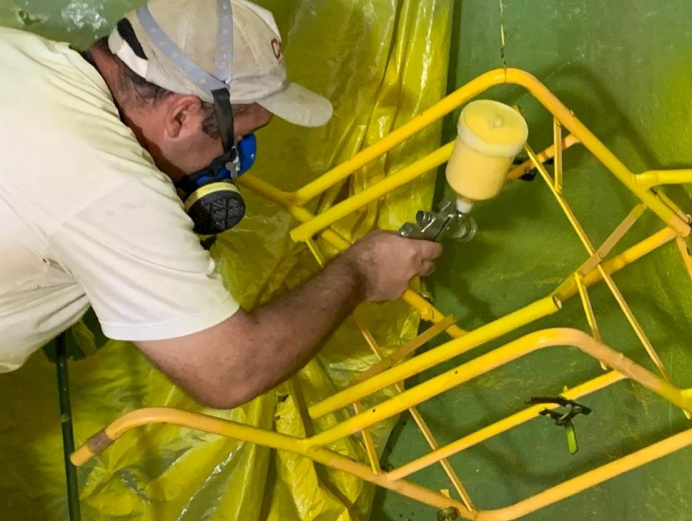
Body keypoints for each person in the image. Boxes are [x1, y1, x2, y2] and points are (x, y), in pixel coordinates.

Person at [0, 0, 442, 408]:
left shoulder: (19, 53)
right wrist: (364, 272)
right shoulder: (110, 187)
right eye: (239, 139)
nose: (234, 161)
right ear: (182, 116)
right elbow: (231, 372)